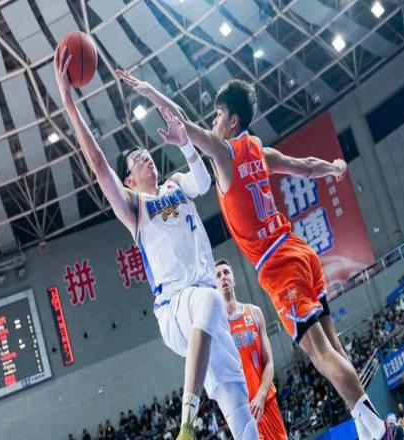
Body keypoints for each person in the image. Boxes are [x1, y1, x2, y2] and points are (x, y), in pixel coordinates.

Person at [117, 69, 404, 440]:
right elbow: (304, 166)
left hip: (279, 264)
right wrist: (333, 167)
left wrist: (150, 91)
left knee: (320, 354)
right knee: (334, 347)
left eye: (217, 116)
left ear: (232, 121)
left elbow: (183, 122)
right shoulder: (259, 150)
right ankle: (368, 428)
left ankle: (379, 430)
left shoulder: (224, 154)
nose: (213, 122)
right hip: (299, 249)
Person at [54, 48, 258, 440]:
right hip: (175, 308)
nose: (147, 159)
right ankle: (186, 424)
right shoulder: (134, 207)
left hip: (206, 312)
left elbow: (203, 182)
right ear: (129, 179)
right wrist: (68, 101)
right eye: (138, 160)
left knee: (239, 407)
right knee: (209, 299)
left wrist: (186, 146)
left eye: (148, 154)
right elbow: (98, 165)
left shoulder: (176, 184)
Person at [216, 258, 288, 439]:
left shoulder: (254, 313)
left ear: (233, 279)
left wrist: (261, 395)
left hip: (266, 401)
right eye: (218, 275)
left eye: (226, 272)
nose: (223, 277)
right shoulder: (217, 326)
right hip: (243, 412)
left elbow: (269, 363)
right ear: (214, 286)